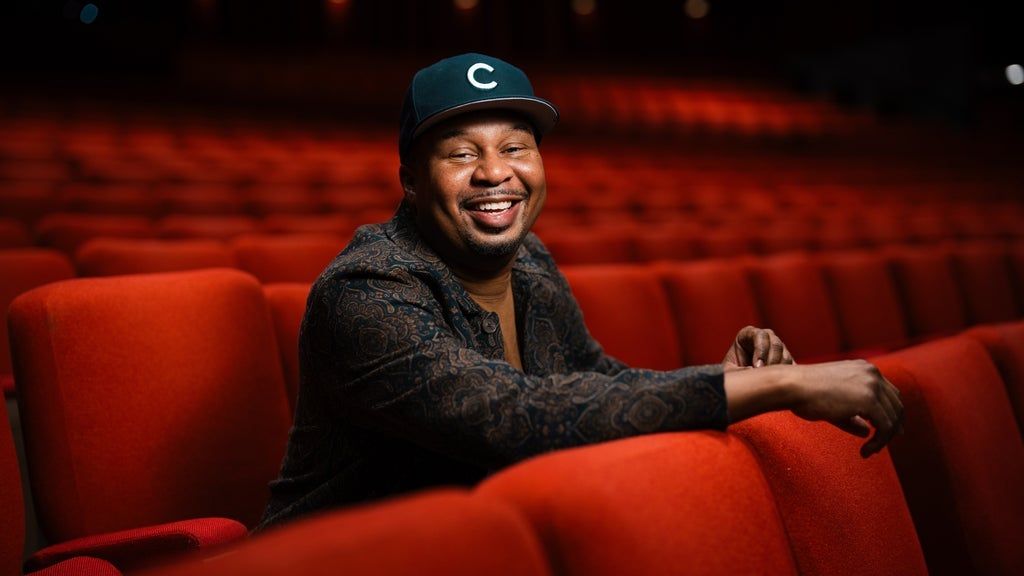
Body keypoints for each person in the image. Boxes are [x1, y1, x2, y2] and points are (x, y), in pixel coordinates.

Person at [257, 53, 904, 530]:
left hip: (480, 543)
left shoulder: (529, 260)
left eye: (516, 147)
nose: (495, 172)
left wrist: (723, 379)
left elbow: (592, 379)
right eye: (461, 153)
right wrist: (778, 387)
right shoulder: (365, 292)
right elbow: (516, 418)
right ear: (410, 179)